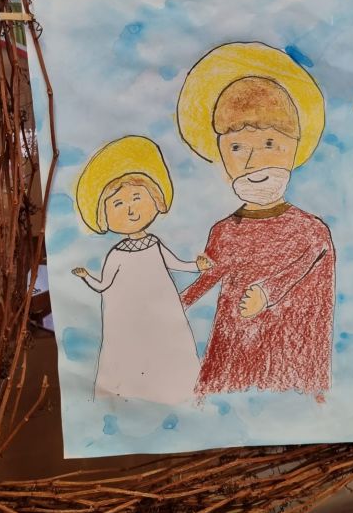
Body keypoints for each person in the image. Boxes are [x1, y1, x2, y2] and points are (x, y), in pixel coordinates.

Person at [177, 42, 335, 397]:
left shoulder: (311, 230)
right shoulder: (223, 231)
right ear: (221, 155)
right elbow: (210, 275)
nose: (253, 161)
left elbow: (305, 266)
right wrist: (175, 305)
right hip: (232, 356)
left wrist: (267, 292)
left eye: (269, 144)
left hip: (290, 362)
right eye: (237, 147)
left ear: (294, 147)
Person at [72, 135, 210, 404]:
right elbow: (104, 286)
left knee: (167, 346)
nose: (131, 210)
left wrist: (198, 266)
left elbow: (176, 264)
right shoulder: (116, 254)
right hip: (129, 315)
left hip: (162, 308)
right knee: (132, 352)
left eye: (137, 197)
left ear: (155, 199)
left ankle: (179, 392)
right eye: (118, 204)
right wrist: (86, 276)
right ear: (104, 215)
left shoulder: (155, 243)